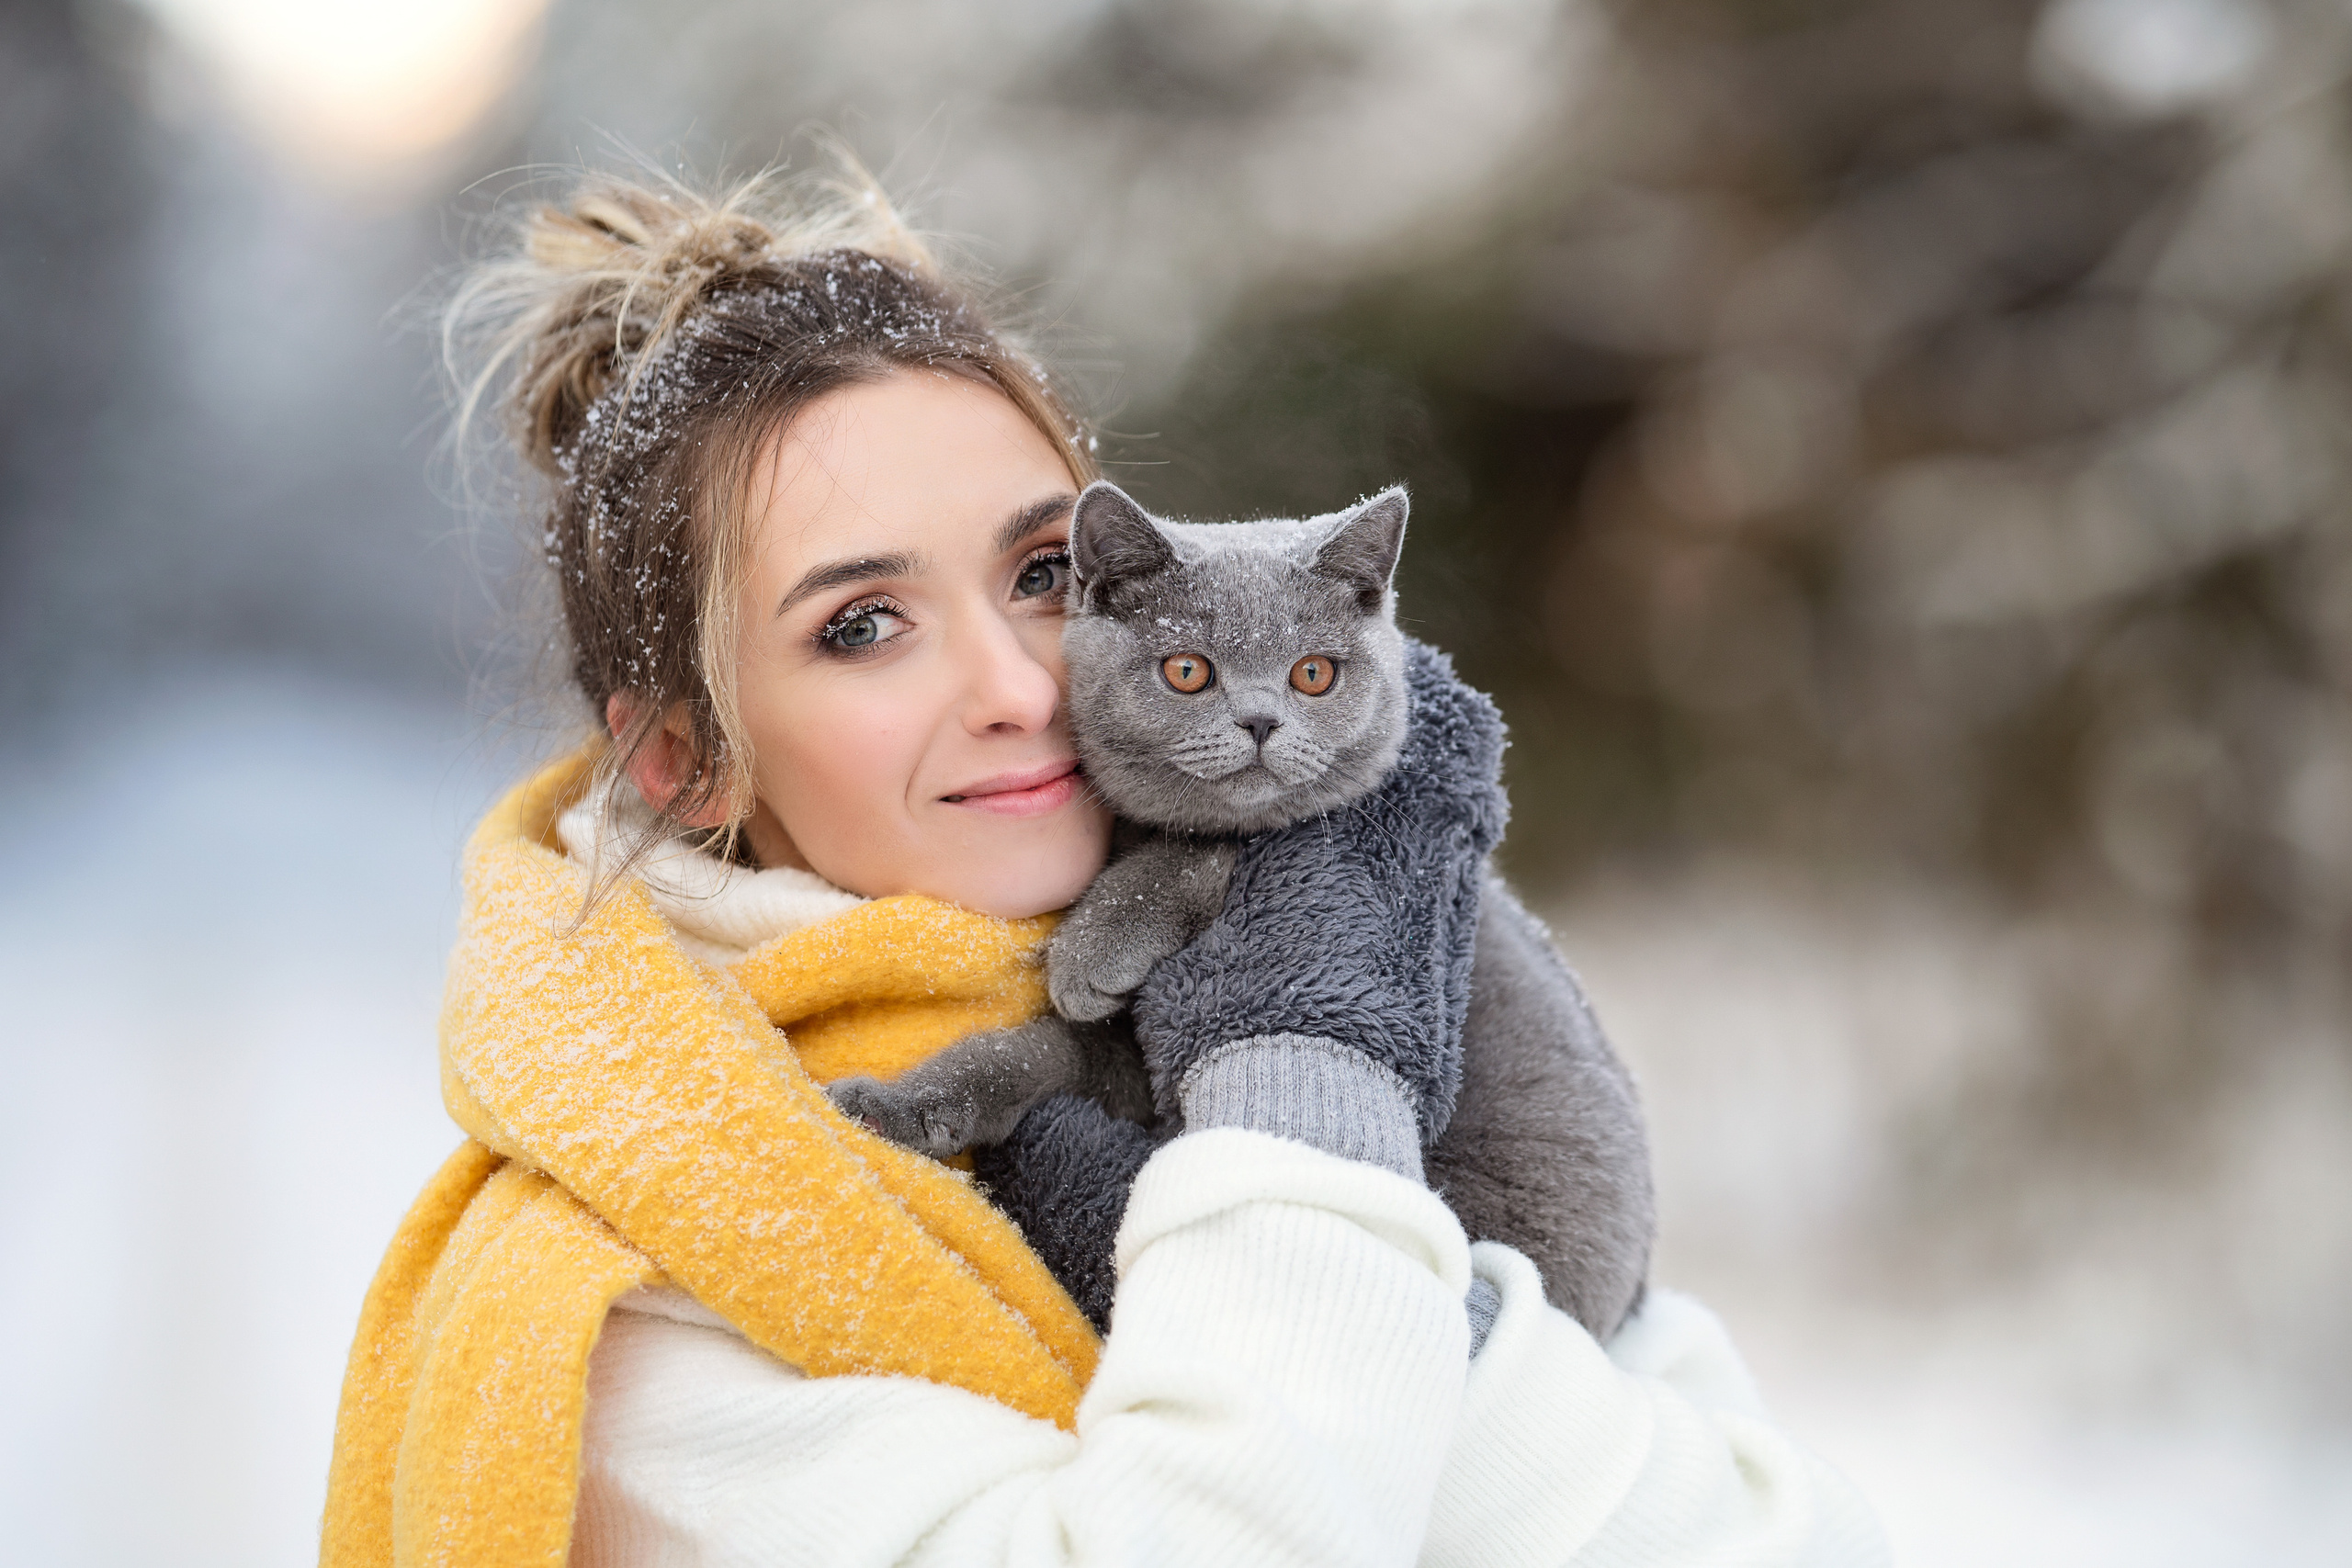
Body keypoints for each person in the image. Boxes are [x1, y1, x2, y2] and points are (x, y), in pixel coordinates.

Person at [320, 166, 1887, 1568]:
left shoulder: (1271, 951)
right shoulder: (647, 1300)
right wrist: (1306, 1080)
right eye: (864, 625)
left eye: (1046, 572)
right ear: (687, 759)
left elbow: (1791, 1537)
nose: (1019, 681)